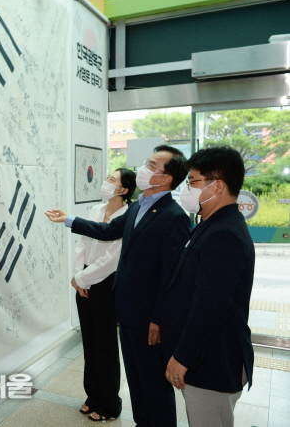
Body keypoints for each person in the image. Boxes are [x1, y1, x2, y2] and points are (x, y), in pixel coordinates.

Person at [46, 145, 191, 427]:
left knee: (153, 383)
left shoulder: (174, 217)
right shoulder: (138, 207)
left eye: (151, 165)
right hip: (127, 311)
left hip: (150, 318)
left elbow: (171, 276)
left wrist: (158, 319)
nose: (143, 169)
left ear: (165, 179)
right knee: (136, 380)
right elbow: (109, 231)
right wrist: (69, 220)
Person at [160, 146, 254, 427]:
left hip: (212, 361)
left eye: (192, 181)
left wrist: (182, 356)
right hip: (204, 357)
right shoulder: (209, 224)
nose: (186, 188)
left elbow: (210, 308)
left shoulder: (225, 235)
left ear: (218, 186)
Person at [70, 168, 136, 422]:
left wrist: (84, 278)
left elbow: (113, 259)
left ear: (123, 190)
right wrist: (78, 276)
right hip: (83, 281)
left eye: (112, 180)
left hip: (106, 283)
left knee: (106, 345)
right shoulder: (97, 210)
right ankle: (92, 396)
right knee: (90, 342)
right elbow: (82, 244)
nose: (106, 183)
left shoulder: (126, 215)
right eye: (108, 178)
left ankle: (109, 403)